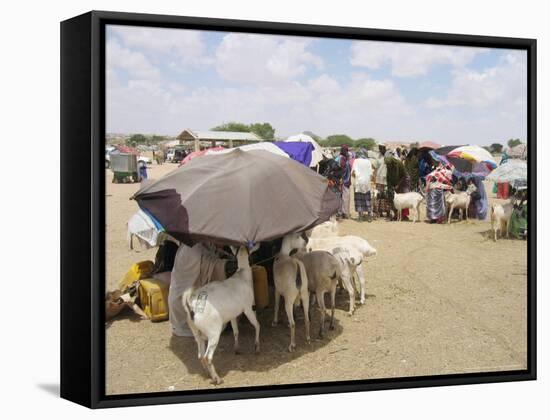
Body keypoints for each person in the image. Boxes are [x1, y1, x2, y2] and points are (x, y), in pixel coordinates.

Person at [168, 242, 228, 337]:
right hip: (183, 304)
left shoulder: (198, 244)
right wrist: (234, 264)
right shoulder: (193, 250)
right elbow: (214, 265)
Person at [351, 152, 373, 222]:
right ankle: (369, 216)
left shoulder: (356, 161)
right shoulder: (368, 162)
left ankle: (360, 216)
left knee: (359, 200)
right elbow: (371, 174)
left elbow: (353, 173)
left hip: (358, 183)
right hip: (366, 183)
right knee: (367, 199)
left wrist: (356, 178)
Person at [334, 145, 352, 219]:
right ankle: (344, 213)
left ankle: (340, 213)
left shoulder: (339, 158)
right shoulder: (343, 159)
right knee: (345, 197)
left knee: (340, 197)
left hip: (340, 181)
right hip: (344, 181)